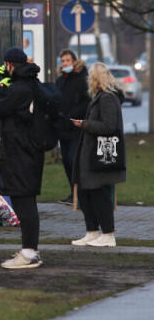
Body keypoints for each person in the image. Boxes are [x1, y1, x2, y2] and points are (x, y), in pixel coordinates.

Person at [0, 47, 45, 269]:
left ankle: (28, 253)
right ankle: (31, 249)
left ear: (10, 65)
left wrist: (2, 86)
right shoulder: (34, 85)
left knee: (24, 204)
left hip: (19, 152)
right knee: (27, 201)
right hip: (32, 151)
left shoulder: (17, 89)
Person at [71, 62, 126, 247]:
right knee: (86, 194)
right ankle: (92, 232)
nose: (88, 81)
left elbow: (109, 126)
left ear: (96, 78)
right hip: (91, 155)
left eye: (91, 77)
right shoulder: (100, 97)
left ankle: (108, 235)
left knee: (99, 195)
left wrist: (85, 124)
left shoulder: (107, 98)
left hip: (101, 156)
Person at [55, 49, 90, 206]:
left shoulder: (83, 79)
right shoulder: (60, 81)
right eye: (62, 61)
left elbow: (86, 102)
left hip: (77, 127)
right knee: (66, 162)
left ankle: (81, 194)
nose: (64, 64)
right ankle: (73, 193)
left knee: (73, 159)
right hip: (63, 128)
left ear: (75, 62)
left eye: (67, 61)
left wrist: (72, 114)